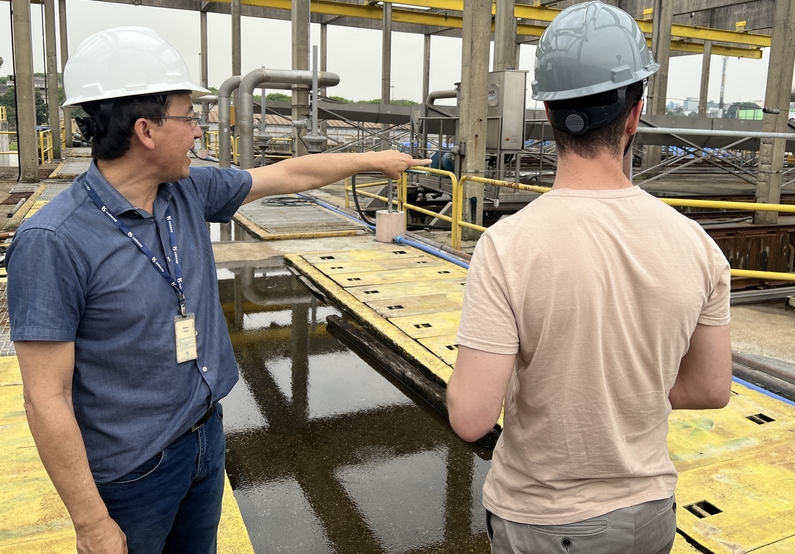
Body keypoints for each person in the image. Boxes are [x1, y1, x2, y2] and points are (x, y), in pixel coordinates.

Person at [7, 26, 428, 554]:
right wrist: (91, 522)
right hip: (131, 474)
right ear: (146, 130)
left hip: (203, 438)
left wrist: (374, 160)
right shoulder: (53, 241)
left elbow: (289, 175)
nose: (201, 132)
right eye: (189, 117)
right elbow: (46, 397)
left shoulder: (185, 192)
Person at [446, 3, 733, 553]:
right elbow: (710, 388)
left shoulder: (507, 247)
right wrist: (628, 388)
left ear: (550, 112)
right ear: (634, 114)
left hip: (542, 521)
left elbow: (471, 416)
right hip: (649, 518)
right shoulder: (696, 246)